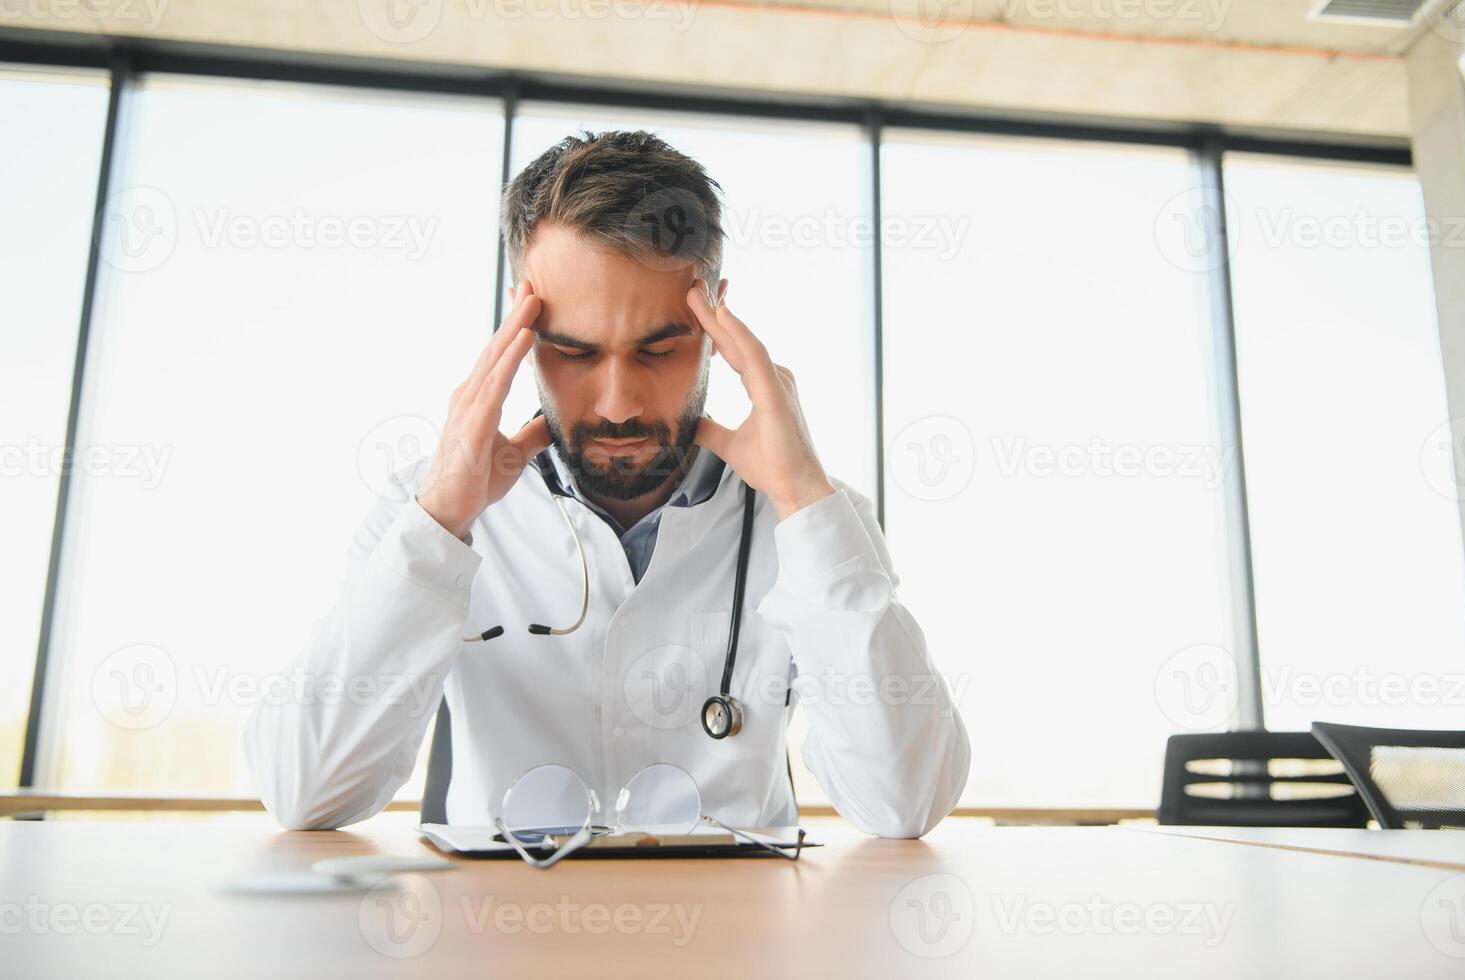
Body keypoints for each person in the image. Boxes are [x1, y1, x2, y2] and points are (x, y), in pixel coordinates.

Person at [245, 129, 969, 837]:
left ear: (717, 318)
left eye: (659, 348)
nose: (618, 402)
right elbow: (304, 792)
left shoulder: (809, 519)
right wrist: (439, 524)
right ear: (519, 327)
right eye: (573, 350)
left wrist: (806, 503)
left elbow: (905, 804)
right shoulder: (427, 509)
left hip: (736, 945)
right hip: (501, 946)